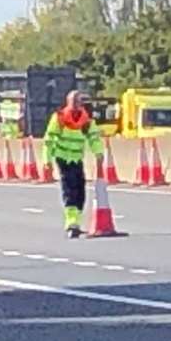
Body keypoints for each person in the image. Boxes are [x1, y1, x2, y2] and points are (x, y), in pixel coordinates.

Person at [43, 90, 105, 237]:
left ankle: (76, 220)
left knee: (80, 190)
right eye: (74, 101)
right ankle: (71, 223)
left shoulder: (86, 120)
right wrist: (47, 160)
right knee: (69, 189)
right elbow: (49, 140)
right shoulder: (59, 118)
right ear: (68, 102)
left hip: (76, 158)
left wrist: (99, 153)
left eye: (79, 102)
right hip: (63, 157)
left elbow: (94, 137)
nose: (77, 105)